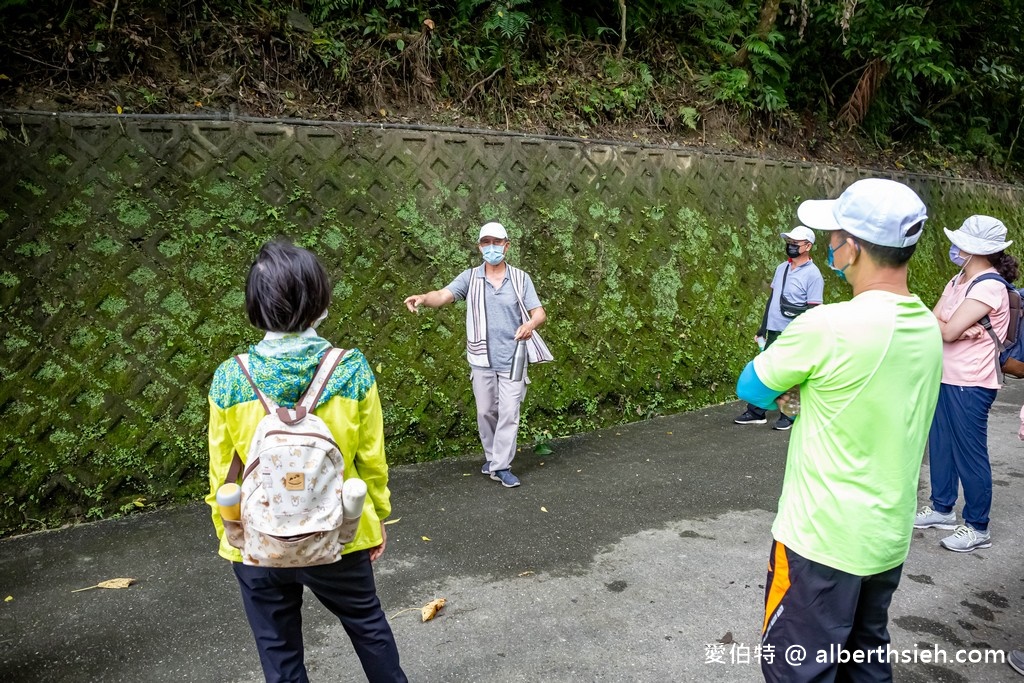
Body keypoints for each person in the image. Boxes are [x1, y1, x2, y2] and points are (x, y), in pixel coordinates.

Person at [736, 178, 942, 682]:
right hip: (886, 538)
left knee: (796, 671)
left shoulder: (828, 326)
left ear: (853, 248)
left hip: (821, 539)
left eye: (834, 234)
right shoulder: (927, 326)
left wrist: (796, 391)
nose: (830, 242)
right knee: (865, 660)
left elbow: (753, 386)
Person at [206, 241, 407, 683]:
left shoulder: (230, 377)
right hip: (340, 531)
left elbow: (223, 471)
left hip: (258, 539)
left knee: (279, 653)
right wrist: (377, 519)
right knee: (368, 629)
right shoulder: (350, 369)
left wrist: (230, 534)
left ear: (254, 306)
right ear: (320, 301)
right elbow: (372, 458)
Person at [403, 222, 551, 488]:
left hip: (513, 359)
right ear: (480, 247)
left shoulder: (520, 278)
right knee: (486, 412)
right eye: (486, 243)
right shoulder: (470, 278)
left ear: (507, 245)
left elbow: (538, 312)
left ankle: (501, 466)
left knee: (509, 412)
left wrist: (530, 325)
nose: (492, 247)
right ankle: (493, 458)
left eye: (497, 242)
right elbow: (443, 295)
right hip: (481, 360)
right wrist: (423, 298)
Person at [914, 216, 1018, 552]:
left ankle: (977, 526)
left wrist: (947, 324)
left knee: (969, 453)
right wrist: (950, 324)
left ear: (974, 249)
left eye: (960, 243)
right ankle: (942, 508)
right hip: (944, 374)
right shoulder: (959, 279)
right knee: (941, 445)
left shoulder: (989, 286)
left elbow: (942, 328)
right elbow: (937, 319)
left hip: (972, 382)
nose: (955, 248)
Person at [734, 225, 824, 430]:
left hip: (794, 333)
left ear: (808, 246)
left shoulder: (814, 275)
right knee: (767, 370)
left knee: (790, 374)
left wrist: (806, 336)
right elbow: (772, 300)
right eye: (789, 243)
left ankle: (789, 416)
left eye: (795, 243)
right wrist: (762, 328)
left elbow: (814, 310)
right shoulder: (781, 268)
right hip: (774, 330)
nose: (791, 246)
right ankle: (756, 412)